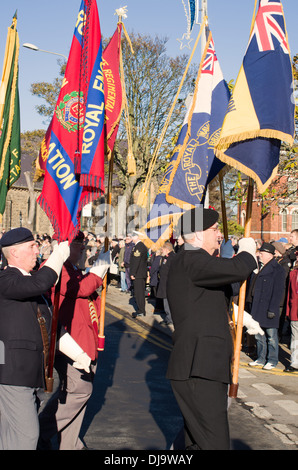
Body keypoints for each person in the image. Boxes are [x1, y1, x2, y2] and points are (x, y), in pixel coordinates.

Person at [166, 207, 258, 450]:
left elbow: (226, 286)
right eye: (215, 230)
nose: (220, 235)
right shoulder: (191, 259)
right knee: (214, 444)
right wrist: (247, 253)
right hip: (199, 367)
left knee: (197, 443)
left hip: (203, 366)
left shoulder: (193, 261)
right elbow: (235, 270)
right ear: (196, 235)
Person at [0, 227, 91, 450]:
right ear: (14, 253)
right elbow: (41, 283)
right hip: (12, 372)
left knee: (10, 436)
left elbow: (51, 326)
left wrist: (77, 353)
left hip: (31, 373)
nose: (36, 249)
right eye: (31, 246)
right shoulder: (6, 279)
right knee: (27, 437)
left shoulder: (30, 283)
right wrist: (58, 256)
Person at [38, 231, 110, 450]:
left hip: (85, 339)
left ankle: (70, 445)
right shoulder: (57, 268)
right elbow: (81, 288)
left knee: (77, 396)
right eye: (79, 243)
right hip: (71, 341)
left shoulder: (74, 268)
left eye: (83, 243)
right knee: (79, 391)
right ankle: (39, 432)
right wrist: (97, 273)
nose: (83, 248)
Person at [248, 242, 286, 370]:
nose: (259, 256)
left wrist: (272, 309)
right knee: (259, 336)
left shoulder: (278, 269)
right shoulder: (259, 267)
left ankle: (272, 360)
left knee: (271, 337)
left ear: (270, 255)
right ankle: (261, 358)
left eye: (262, 254)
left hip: (269, 307)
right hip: (258, 306)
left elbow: (278, 292)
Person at [156, 242, 175, 326]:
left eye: (162, 249)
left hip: (169, 283)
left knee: (168, 302)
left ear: (167, 249)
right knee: (165, 301)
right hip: (164, 282)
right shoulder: (166, 257)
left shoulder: (173, 257)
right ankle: (169, 318)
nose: (161, 250)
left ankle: (169, 319)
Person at [284, 254, 298, 372]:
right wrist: (288, 311)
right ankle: (294, 362)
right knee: (295, 339)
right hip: (294, 311)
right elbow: (289, 295)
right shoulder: (293, 274)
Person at [130, 231, 148, 318]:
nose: (131, 238)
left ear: (137, 237)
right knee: (138, 292)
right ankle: (140, 309)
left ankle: (141, 310)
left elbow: (136, 261)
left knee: (139, 293)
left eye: (133, 237)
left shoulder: (139, 246)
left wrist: (133, 273)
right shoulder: (138, 246)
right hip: (139, 273)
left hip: (139, 274)